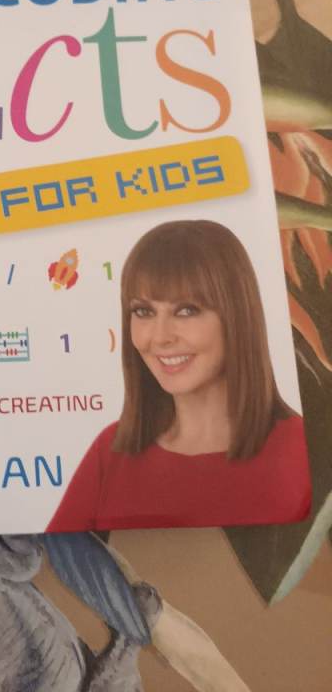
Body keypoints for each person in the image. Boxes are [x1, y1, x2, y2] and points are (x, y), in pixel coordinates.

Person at [48, 219, 311, 532]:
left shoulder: (301, 450)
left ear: (236, 316)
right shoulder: (112, 452)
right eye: (144, 312)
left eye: (186, 310)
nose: (160, 337)